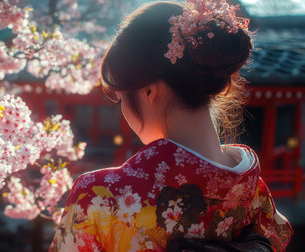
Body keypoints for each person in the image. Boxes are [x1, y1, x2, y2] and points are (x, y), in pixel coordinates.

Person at [49, 0, 293, 251]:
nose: (123, 111)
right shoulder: (254, 192)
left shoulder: (100, 196)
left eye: (121, 98)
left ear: (149, 91)